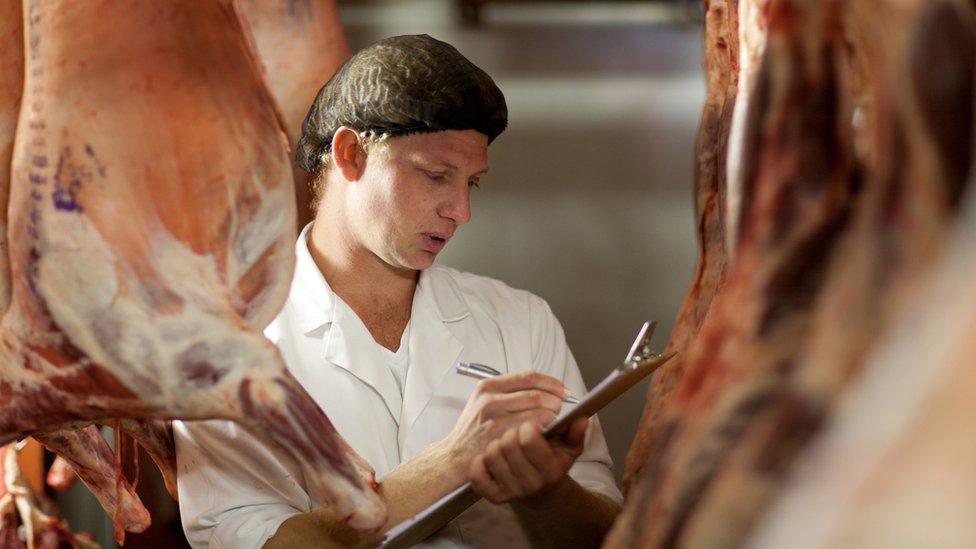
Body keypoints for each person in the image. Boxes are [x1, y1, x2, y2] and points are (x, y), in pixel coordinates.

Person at [174, 34, 622, 548]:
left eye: (471, 183)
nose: (460, 210)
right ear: (349, 154)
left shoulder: (519, 319)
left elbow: (605, 535)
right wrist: (454, 461)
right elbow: (257, 540)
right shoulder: (230, 344)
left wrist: (545, 493)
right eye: (435, 175)